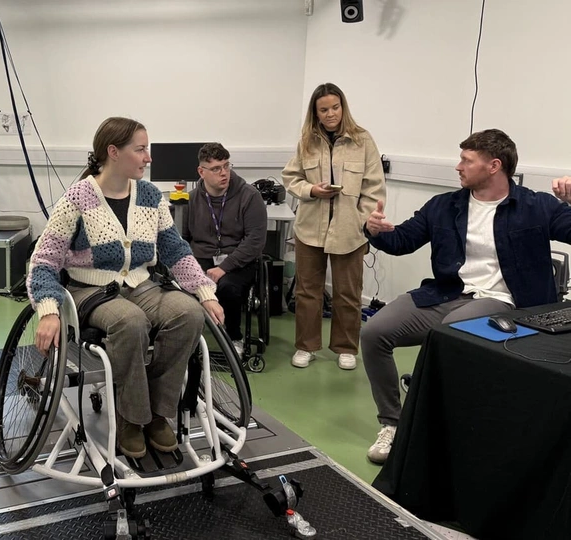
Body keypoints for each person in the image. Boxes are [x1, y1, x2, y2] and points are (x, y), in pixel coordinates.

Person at [361, 129, 571, 464]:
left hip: (505, 302)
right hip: (445, 294)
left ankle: (432, 427)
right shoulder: (444, 206)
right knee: (374, 333)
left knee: (449, 333)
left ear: (493, 166)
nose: (458, 167)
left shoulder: (537, 206)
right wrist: (374, 231)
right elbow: (401, 241)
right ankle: (393, 423)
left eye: (466, 160)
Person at [28, 117, 224, 459]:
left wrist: (203, 291)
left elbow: (175, 249)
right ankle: (132, 419)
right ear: (114, 152)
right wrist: (47, 310)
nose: (148, 158)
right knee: (130, 321)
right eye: (141, 149)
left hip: (141, 284)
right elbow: (44, 259)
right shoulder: (78, 198)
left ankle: (158, 413)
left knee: (189, 314)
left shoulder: (149, 196)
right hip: (90, 291)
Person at [282, 82, 386, 370]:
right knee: (307, 292)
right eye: (324, 109)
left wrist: (363, 221)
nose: (330, 114)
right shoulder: (307, 140)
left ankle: (345, 347)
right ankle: (306, 346)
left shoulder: (362, 140)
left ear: (343, 107)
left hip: (349, 231)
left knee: (348, 292)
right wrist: (311, 190)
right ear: (315, 113)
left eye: (335, 107)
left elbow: (374, 186)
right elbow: (290, 177)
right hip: (309, 230)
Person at [182, 142, 268, 354]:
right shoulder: (191, 200)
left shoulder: (249, 196)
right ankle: (189, 338)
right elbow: (183, 238)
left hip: (238, 260)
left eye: (226, 166)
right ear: (201, 172)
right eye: (216, 169)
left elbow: (255, 241)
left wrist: (225, 267)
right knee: (182, 287)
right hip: (202, 257)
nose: (224, 173)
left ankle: (234, 336)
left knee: (228, 287)